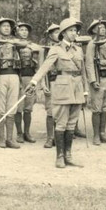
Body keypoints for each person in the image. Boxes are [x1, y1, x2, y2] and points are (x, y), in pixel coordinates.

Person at [24, 18, 89, 169]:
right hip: (62, 87)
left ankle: (68, 155)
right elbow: (45, 67)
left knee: (72, 123)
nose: (74, 33)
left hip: (77, 88)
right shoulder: (55, 49)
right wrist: (34, 82)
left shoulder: (78, 50)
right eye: (71, 30)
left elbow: (83, 71)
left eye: (75, 30)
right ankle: (59, 157)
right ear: (63, 33)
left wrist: (85, 90)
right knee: (61, 123)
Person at [0, 17, 22, 149]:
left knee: (12, 108)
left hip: (14, 75)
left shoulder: (16, 42)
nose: (6, 28)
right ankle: (1, 139)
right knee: (1, 109)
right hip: (0, 75)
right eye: (3, 26)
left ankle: (10, 139)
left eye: (8, 26)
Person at [84, 18, 106, 146]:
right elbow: (89, 63)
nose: (102, 30)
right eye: (99, 28)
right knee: (97, 108)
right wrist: (92, 80)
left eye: (103, 28)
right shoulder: (92, 44)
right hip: (98, 78)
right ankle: (96, 135)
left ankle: (102, 133)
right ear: (94, 30)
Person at [15, 22, 41, 143]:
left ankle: (27, 133)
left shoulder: (33, 46)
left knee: (28, 107)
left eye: (26, 30)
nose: (24, 32)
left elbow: (38, 62)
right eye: (21, 30)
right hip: (18, 77)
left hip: (30, 77)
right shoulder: (14, 45)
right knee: (18, 107)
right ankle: (19, 133)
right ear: (17, 32)